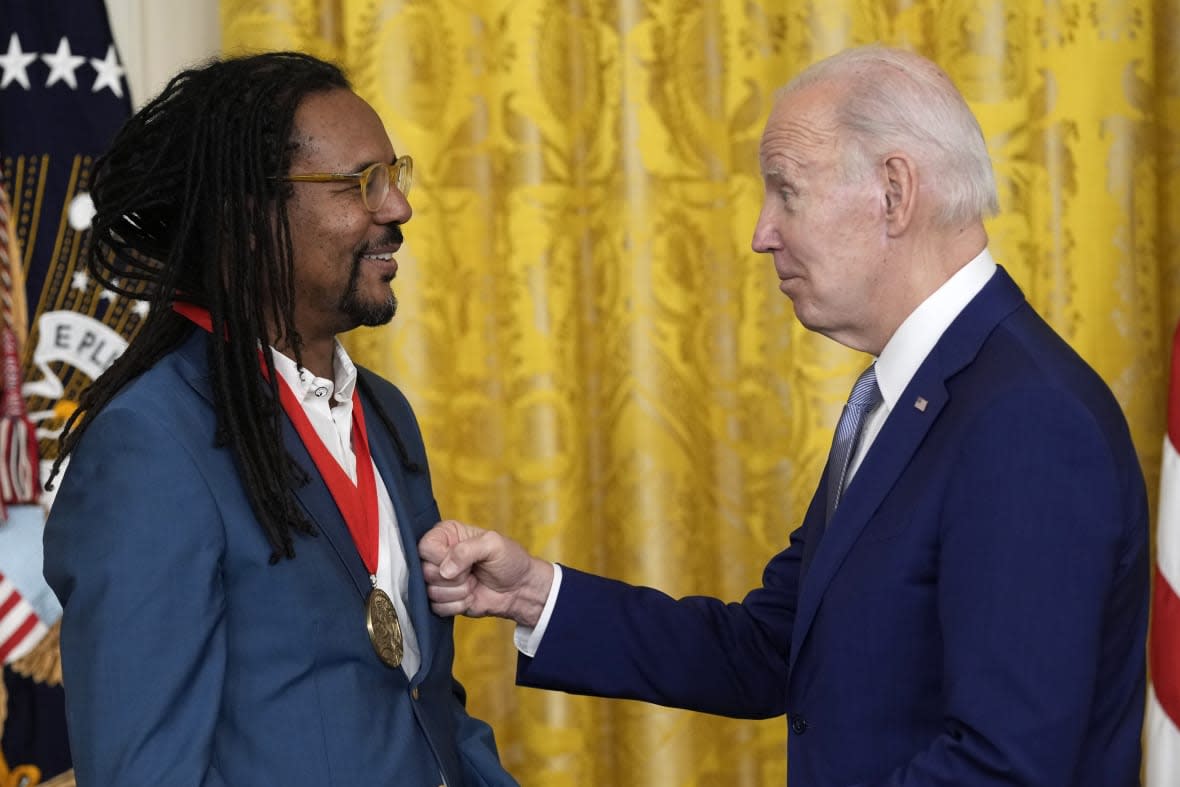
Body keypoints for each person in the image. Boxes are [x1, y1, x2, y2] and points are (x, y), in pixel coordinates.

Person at [419, 45, 1149, 786]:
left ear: (894, 192)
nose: (762, 232)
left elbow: (1005, 767)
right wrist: (532, 594)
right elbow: (771, 646)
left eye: (786, 191)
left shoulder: (1025, 418)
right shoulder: (905, 395)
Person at [41, 51, 518, 787]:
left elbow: (420, 697)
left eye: (395, 175)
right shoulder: (150, 446)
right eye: (363, 183)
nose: (397, 208)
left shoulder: (386, 414)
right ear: (251, 214)